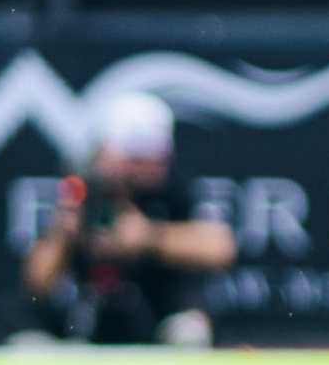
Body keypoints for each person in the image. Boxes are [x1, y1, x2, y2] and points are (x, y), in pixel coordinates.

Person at [19, 93, 236, 345]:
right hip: (75, 324)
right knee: (28, 346)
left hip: (159, 319)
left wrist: (149, 237)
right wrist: (64, 234)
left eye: (153, 161)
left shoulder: (171, 192)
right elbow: (36, 283)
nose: (144, 170)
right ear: (104, 152)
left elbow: (221, 247)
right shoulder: (80, 190)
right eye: (133, 160)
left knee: (189, 333)